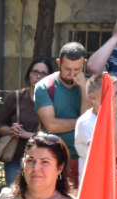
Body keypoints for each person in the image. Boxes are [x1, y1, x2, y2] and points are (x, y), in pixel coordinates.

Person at [35, 42, 91, 187]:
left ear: (84, 63)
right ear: (59, 63)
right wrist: (79, 121)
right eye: (67, 69)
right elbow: (51, 125)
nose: (72, 74)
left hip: (82, 158)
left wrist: (85, 88)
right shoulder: (44, 86)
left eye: (77, 69)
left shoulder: (89, 86)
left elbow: (88, 125)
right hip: (53, 158)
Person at [0, 58, 53, 185]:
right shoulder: (16, 97)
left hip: (44, 159)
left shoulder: (54, 100)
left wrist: (29, 135)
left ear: (50, 77)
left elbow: (57, 131)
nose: (38, 76)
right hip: (16, 158)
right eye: (35, 72)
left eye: (43, 73)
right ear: (29, 74)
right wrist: (11, 130)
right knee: (15, 198)